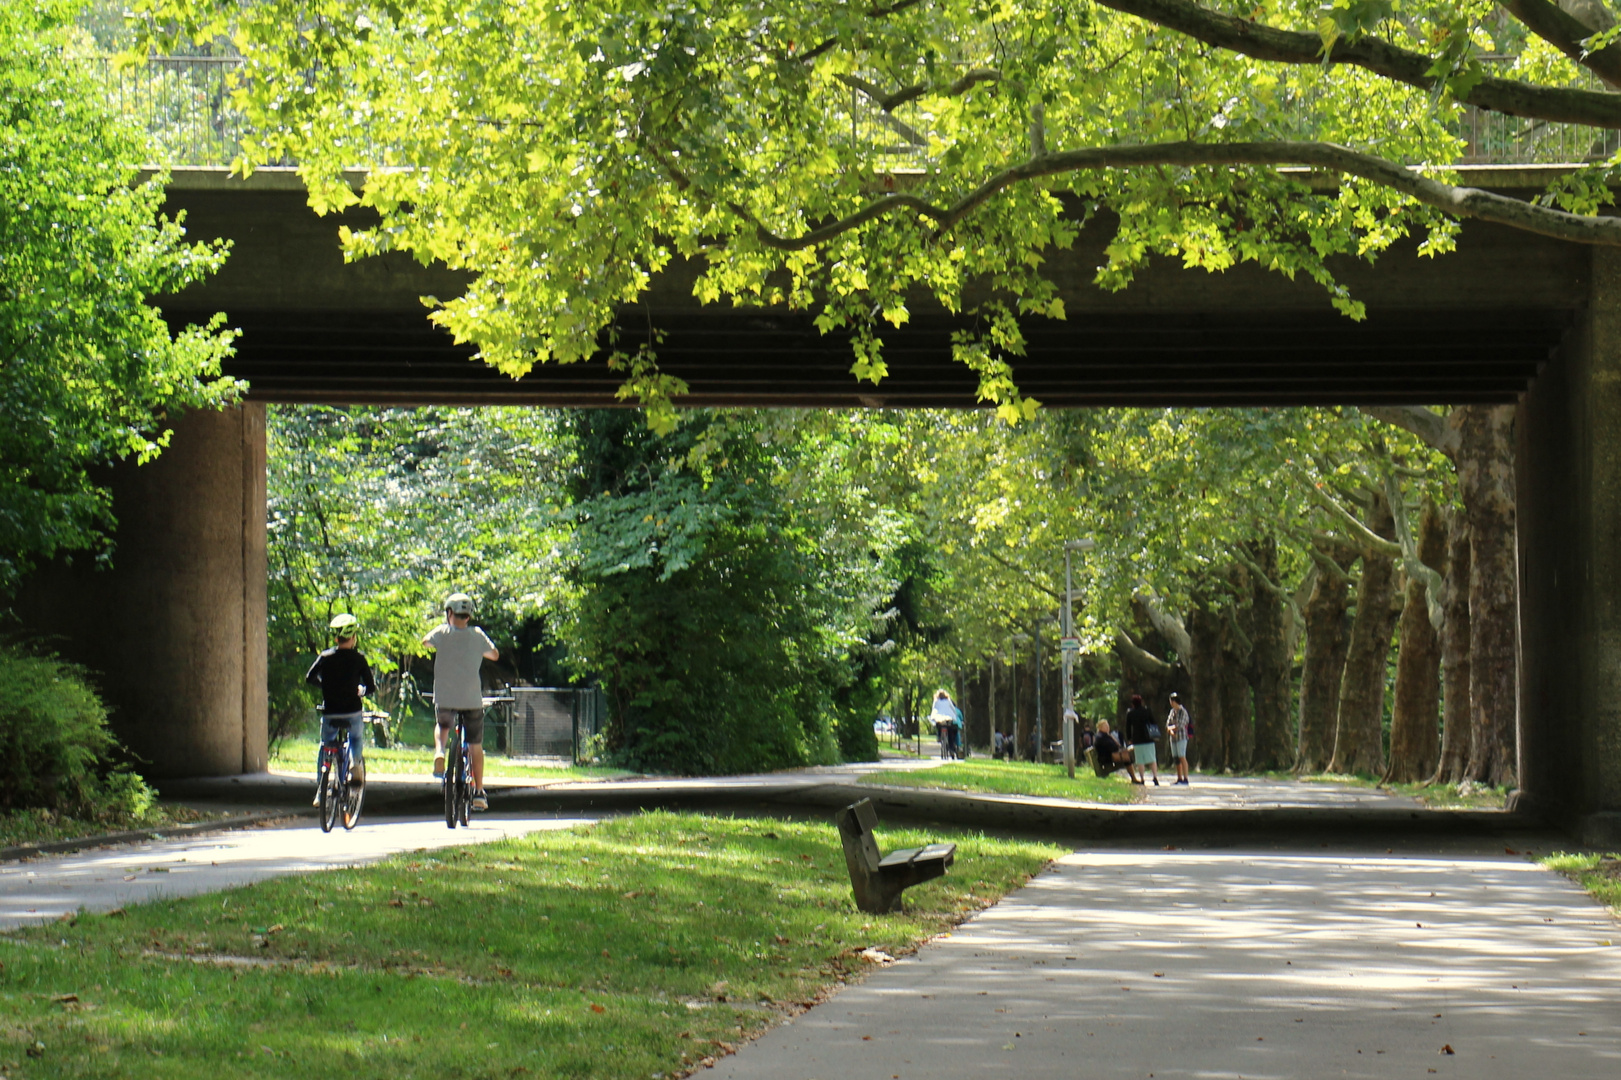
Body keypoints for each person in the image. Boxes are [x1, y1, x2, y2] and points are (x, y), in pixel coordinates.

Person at [422, 592, 499, 811]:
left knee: (443, 725)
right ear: (468, 616)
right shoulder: (477, 634)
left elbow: (425, 642)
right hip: (472, 699)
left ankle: (439, 751)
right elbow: (494, 654)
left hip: (445, 696)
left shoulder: (442, 632)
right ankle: (479, 792)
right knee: (475, 743)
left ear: (449, 613)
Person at [305, 613, 375, 803]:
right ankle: (355, 763)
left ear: (336, 637)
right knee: (356, 737)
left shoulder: (325, 657)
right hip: (352, 710)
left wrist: (326, 686)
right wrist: (361, 690)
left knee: (325, 744)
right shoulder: (359, 658)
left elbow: (309, 678)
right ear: (353, 637)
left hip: (330, 712)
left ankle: (321, 789)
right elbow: (371, 686)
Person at [1124, 692, 1160, 786]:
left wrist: (1129, 738)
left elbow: (1128, 727)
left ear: (1132, 703)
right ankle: (1155, 777)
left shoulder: (1130, 713)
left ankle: (1142, 778)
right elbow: (1153, 722)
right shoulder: (1147, 711)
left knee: (1140, 760)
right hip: (1148, 738)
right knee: (1152, 759)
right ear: (1141, 702)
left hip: (1137, 739)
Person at [1166, 692, 1191, 785]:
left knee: (1182, 756)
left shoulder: (1183, 712)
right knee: (1176, 758)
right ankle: (1179, 778)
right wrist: (1171, 731)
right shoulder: (1172, 712)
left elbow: (1181, 725)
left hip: (1181, 737)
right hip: (1173, 738)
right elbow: (1168, 724)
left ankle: (1186, 778)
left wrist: (1171, 728)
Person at [929, 689, 962, 760]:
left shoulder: (936, 701)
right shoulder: (948, 701)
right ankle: (951, 748)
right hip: (948, 719)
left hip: (939, 719)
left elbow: (934, 709)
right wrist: (954, 716)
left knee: (939, 726)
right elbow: (953, 709)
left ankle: (939, 737)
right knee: (950, 731)